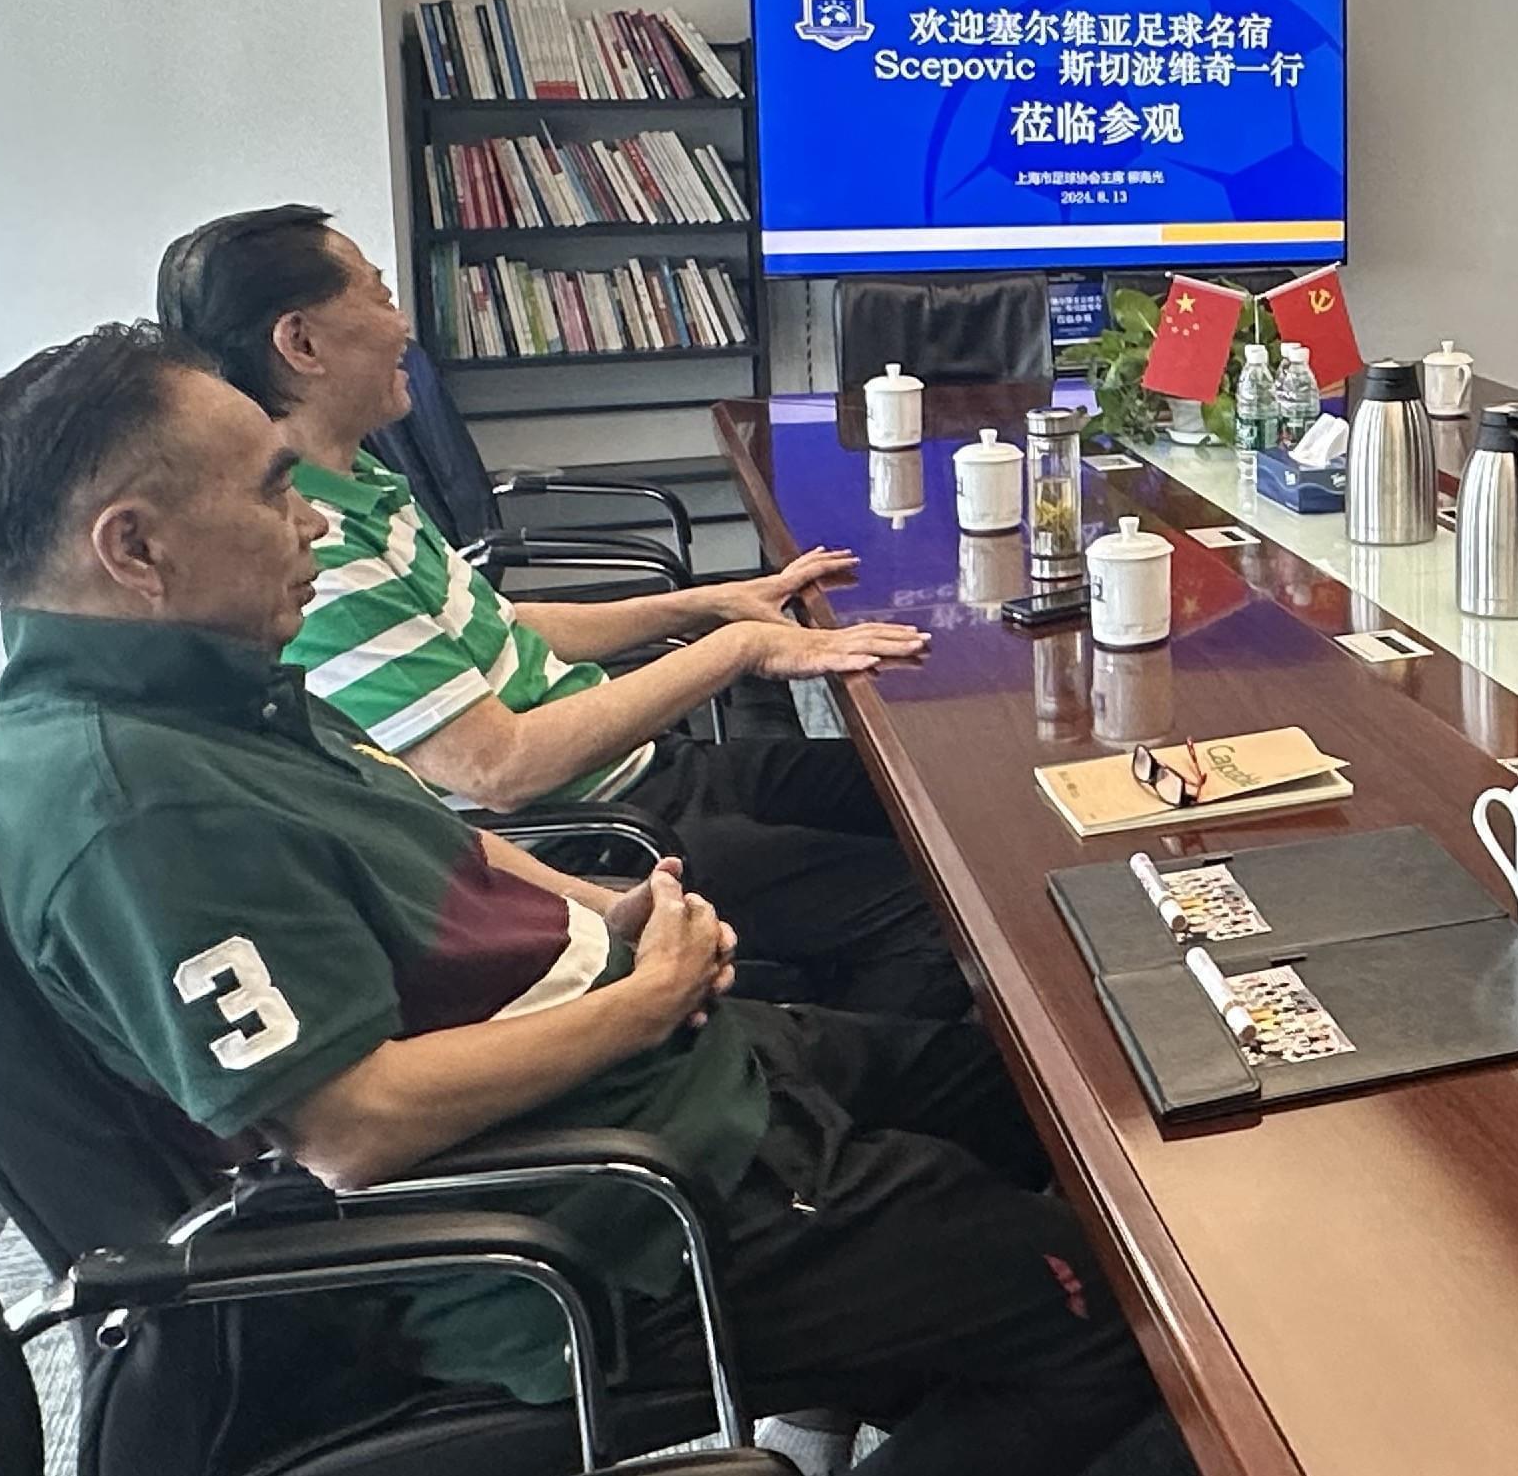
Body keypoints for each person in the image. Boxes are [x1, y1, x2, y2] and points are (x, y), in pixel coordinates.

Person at [0, 324, 1176, 1476]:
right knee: (1134, 1324)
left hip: (676, 1080)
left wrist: (613, 910)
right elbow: (350, 1126)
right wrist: (644, 1002)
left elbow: (445, 850)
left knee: (1034, 1092)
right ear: (134, 549)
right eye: (271, 492)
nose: (308, 520)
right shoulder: (138, 807)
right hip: (614, 1216)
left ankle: (910, 1333)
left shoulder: (212, 688)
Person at [158, 206, 962, 1019]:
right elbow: (501, 771)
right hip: (599, 836)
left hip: (642, 768)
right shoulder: (317, 549)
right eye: (381, 295)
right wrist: (736, 649)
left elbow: (501, 630)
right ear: (301, 343)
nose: (403, 326)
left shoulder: (354, 477)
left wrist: (709, 604)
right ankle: (843, 1060)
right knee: (939, 912)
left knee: (923, 798)